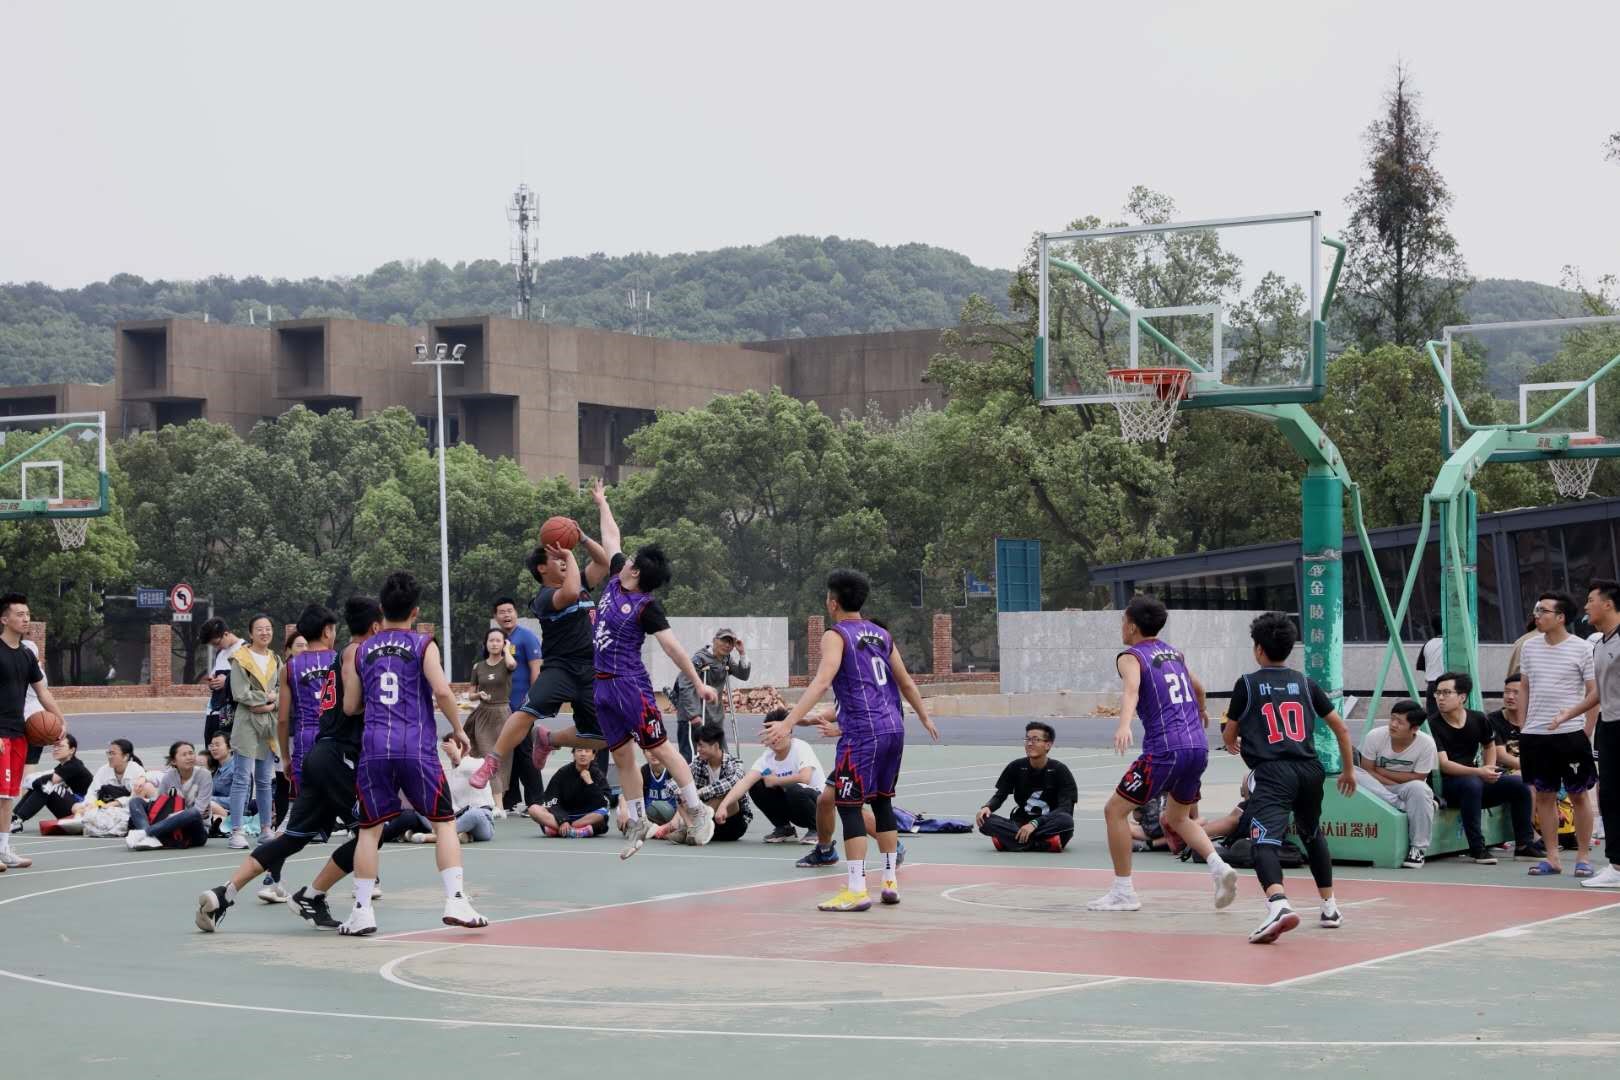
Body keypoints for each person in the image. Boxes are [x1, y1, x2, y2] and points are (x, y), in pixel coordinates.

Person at [196, 597, 384, 934]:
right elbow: (356, 706)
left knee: (294, 836)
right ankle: (320, 895)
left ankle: (225, 892)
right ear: (328, 631)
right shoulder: (348, 657)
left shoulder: (291, 666)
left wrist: (285, 757)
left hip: (308, 754)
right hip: (339, 755)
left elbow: (283, 719)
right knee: (373, 830)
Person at [764, 569, 939, 911]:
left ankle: (857, 889)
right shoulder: (881, 634)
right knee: (883, 802)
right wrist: (924, 716)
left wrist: (788, 722)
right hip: (894, 728)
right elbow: (905, 681)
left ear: (833, 602)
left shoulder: (836, 634)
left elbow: (821, 682)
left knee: (849, 806)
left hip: (862, 733)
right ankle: (889, 882)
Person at [341, 572, 485, 936]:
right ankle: (455, 899)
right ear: (416, 611)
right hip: (415, 746)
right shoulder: (423, 645)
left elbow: (350, 706)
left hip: (375, 747)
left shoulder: (361, 651)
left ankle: (361, 911)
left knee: (369, 830)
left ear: (381, 609)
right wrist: (459, 729)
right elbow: (442, 690)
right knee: (444, 822)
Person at [584, 481, 723, 859]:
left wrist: (697, 683)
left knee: (659, 747)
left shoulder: (646, 606)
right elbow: (612, 537)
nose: (624, 558)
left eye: (630, 559)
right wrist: (602, 503)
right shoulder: (616, 576)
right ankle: (639, 819)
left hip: (631, 686)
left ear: (636, 571)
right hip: (602, 686)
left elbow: (672, 647)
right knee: (621, 755)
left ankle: (696, 809)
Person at [1090, 596, 1235, 912]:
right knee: (1177, 817)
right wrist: (1201, 710)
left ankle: (1123, 891)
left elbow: (1131, 689)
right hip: (1197, 747)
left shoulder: (1130, 656)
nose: (1121, 627)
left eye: (1122, 621)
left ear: (1131, 626)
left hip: (1165, 750)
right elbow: (1199, 687)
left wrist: (1124, 724)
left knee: (1114, 811)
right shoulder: (1174, 653)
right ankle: (1219, 867)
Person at [469, 496, 622, 793]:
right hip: (560, 669)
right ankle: (492, 761)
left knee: (606, 736)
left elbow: (603, 562)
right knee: (526, 713)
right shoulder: (543, 598)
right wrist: (570, 554)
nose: (563, 560)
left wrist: (581, 537)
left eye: (564, 558)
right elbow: (569, 592)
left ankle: (550, 739)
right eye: (556, 558)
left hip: (591, 670)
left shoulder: (580, 582)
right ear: (542, 568)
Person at [1222, 611, 1355, 945]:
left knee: (1263, 840)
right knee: (1312, 833)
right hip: (1310, 769)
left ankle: (1278, 904)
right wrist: (1349, 770)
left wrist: (1233, 741)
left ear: (1258, 649)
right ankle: (1330, 907)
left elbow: (1229, 733)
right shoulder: (1306, 683)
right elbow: (1341, 728)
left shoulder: (1247, 684)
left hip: (1273, 772)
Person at [1518, 591, 1599, 877]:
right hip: (1535, 735)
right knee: (1544, 795)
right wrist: (1523, 726)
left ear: (1561, 617)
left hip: (1570, 734)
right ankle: (1552, 858)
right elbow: (1524, 686)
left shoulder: (1582, 648)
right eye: (1536, 610)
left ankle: (1583, 857)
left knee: (1579, 795)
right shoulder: (1529, 647)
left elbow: (1593, 693)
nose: (1537, 615)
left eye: (1543, 611)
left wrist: (1586, 729)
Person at [1431, 671, 1537, 863]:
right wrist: (1479, 772)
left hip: (1475, 781)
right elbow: (1444, 765)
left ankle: (1524, 845)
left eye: (1446, 693)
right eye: (1437, 693)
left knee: (1520, 784)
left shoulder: (1478, 718)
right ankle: (1477, 849)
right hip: (1448, 787)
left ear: (1462, 697)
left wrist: (1489, 768)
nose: (1440, 698)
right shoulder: (1432, 724)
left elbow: (1489, 745)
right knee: (1472, 784)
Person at [1554, 580, 1620, 888]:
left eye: (1591, 600)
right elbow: (1599, 693)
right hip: (1609, 726)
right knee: (1610, 796)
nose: (1585, 606)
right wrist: (1570, 713)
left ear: (1608, 604)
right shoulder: (1600, 644)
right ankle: (1616, 866)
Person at [1, 593, 64, 868]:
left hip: (19, 732)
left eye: (27, 614)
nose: (25, 618)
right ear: (4, 619)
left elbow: (43, 692)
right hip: (0, 733)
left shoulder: (27, 655)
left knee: (8, 795)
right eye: (19, 614)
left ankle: (3, 849)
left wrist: (60, 720)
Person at [1350, 700, 1438, 869]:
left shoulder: (1427, 743)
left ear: (1414, 728)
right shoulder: (1375, 736)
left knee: (1420, 788)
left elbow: (1418, 777)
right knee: (1353, 772)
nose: (1393, 724)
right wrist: (1386, 782)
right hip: (1376, 785)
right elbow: (1367, 770)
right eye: (1392, 718)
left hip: (1406, 788)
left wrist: (1382, 772)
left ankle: (1418, 849)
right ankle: (1401, 805)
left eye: (1400, 722)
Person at [717, 709, 825, 842]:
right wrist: (723, 805)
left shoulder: (800, 747)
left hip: (818, 806)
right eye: (771, 733)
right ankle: (784, 828)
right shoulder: (767, 757)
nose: (775, 738)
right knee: (757, 785)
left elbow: (805, 778)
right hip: (794, 807)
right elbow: (745, 782)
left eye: (778, 733)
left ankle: (817, 829)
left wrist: (775, 781)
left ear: (789, 732)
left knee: (794, 789)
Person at [975, 721, 1079, 853]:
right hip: (1020, 823)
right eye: (1027, 739)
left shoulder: (1060, 770)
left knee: (1066, 821)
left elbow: (1065, 809)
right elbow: (1000, 795)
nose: (1030, 743)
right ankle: (1041, 844)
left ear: (1048, 745)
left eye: (1036, 740)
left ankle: (1013, 841)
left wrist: (1035, 823)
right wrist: (987, 807)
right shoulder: (1015, 767)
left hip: (1048, 824)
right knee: (985, 820)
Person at [224, 614, 282, 850]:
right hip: (247, 722)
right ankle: (236, 831)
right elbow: (240, 693)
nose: (265, 632)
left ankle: (266, 829)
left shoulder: (275, 659)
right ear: (250, 633)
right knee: (241, 778)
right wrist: (266, 698)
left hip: (268, 723)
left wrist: (270, 704)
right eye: (259, 629)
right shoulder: (240, 658)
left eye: (268, 628)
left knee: (265, 779)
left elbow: (282, 690)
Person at [491, 598, 543, 813]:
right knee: (506, 752)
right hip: (500, 708)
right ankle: (510, 799)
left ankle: (536, 801)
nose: (506, 615)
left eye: (510, 611)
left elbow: (536, 670)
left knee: (525, 753)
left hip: (522, 707)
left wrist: (533, 701)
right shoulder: (495, 639)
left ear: (516, 613)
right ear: (495, 617)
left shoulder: (526, 637)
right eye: (502, 612)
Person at [669, 629, 751, 761]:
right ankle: (685, 775)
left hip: (713, 715)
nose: (727, 645)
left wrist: (742, 653)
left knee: (718, 754)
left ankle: (724, 773)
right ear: (714, 640)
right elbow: (685, 684)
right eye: (724, 640)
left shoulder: (726, 659)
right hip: (692, 714)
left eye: (731, 642)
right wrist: (694, 714)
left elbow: (743, 675)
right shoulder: (699, 659)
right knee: (691, 756)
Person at [403, 734, 498, 843]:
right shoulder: (449, 771)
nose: (449, 756)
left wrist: (458, 757)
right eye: (448, 753)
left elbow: (469, 769)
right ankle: (459, 835)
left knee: (475, 814)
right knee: (420, 809)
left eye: (451, 752)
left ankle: (435, 836)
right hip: (456, 819)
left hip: (482, 821)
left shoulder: (479, 763)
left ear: (463, 747)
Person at [42, 738, 146, 835]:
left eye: (113, 753)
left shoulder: (136, 770)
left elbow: (136, 799)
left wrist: (115, 803)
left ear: (125, 756)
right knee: (84, 811)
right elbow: (92, 792)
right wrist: (88, 805)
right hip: (103, 807)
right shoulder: (103, 770)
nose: (109, 756)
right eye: (108, 753)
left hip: (128, 808)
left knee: (119, 817)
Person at [126, 740, 213, 850]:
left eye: (191, 753)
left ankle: (144, 833)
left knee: (193, 812)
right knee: (135, 801)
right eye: (184, 755)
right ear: (173, 761)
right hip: (169, 828)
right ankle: (150, 838)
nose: (189, 757)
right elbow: (159, 804)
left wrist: (175, 816)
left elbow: (199, 811)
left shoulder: (204, 775)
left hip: (194, 831)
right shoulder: (169, 776)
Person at [672, 723, 750, 843]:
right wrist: (681, 792)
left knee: (726, 794)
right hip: (708, 820)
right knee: (683, 794)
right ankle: (691, 827)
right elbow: (675, 781)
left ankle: (688, 827)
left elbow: (730, 783)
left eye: (701, 746)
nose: (698, 750)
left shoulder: (735, 764)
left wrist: (697, 793)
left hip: (732, 822)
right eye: (697, 746)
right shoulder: (698, 763)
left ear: (715, 746)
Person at [465, 627, 516, 811]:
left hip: (503, 715)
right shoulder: (478, 667)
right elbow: (470, 694)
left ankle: (498, 804)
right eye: (491, 640)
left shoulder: (506, 662)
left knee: (502, 760)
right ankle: (497, 806)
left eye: (498, 640)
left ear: (504, 643)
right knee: (488, 758)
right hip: (483, 716)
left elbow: (512, 665)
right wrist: (479, 695)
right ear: (485, 644)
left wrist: (508, 649)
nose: (494, 644)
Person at [11, 733, 92, 832]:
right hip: (77, 807)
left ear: (72, 750)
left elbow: (49, 780)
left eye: (60, 746)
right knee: (44, 785)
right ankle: (14, 819)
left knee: (47, 786)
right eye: (55, 746)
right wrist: (35, 782)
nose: (56, 749)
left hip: (83, 811)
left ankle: (17, 821)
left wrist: (32, 782)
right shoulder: (64, 765)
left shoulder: (73, 766)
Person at [529, 747, 611, 837]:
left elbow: (603, 803)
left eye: (587, 751)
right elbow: (551, 800)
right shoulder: (563, 773)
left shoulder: (597, 774)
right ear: (574, 755)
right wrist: (563, 820)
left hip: (586, 817)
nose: (583, 754)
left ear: (593, 756)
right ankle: (577, 831)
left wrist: (590, 783)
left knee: (602, 813)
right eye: (579, 750)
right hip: (562, 815)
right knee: (533, 809)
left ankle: (561, 830)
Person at [199, 618, 244, 747]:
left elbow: (250, 680)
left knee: (226, 749)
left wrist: (227, 681)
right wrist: (212, 682)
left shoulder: (245, 650)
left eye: (216, 643)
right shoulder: (220, 653)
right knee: (211, 748)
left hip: (230, 711)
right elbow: (215, 675)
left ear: (226, 634)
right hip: (213, 710)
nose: (216, 647)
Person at [1486, 674, 1525, 774]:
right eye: (1507, 692)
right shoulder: (1492, 720)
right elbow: (1501, 756)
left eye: (1516, 692)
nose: (1510, 697)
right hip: (1503, 772)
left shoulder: (1535, 719)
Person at [1417, 618, 1445, 714]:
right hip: (1448, 686)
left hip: (1432, 686)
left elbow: (1421, 666)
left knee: (1433, 718)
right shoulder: (1451, 645)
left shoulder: (1428, 644)